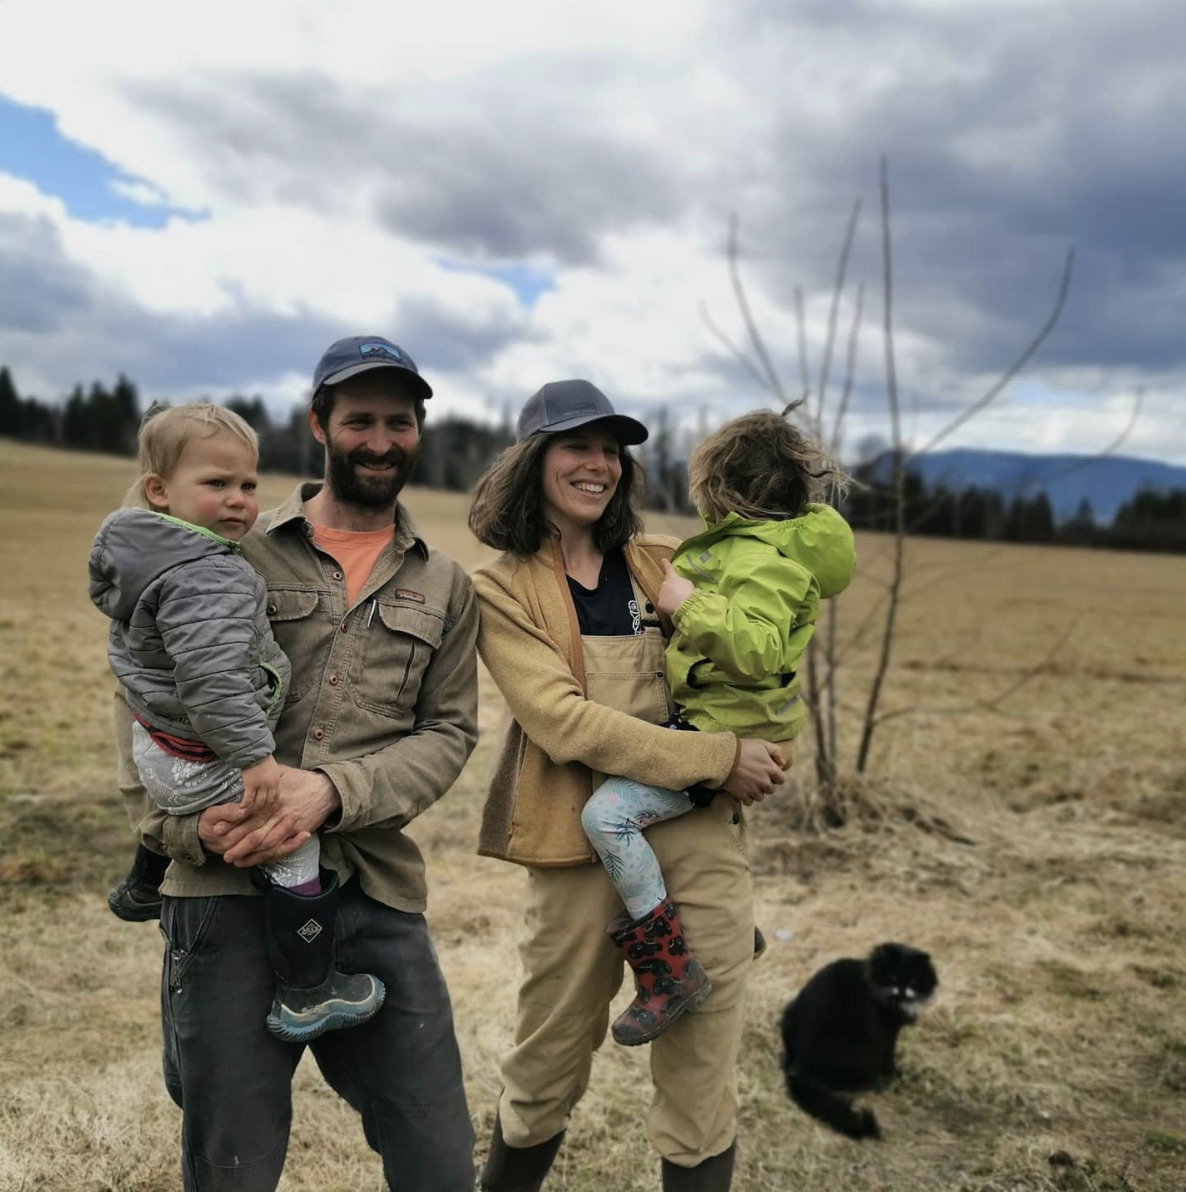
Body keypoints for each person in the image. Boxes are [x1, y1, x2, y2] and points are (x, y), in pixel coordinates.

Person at [110, 336, 480, 1191]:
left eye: (399, 423)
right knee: (230, 1164)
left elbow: (450, 733)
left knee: (438, 1160)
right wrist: (182, 828)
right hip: (225, 891)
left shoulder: (445, 583)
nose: (380, 441)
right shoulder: (225, 543)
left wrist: (330, 794)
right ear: (320, 425)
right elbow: (141, 699)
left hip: (374, 890)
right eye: (359, 421)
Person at [467, 379, 792, 1192]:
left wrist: (762, 737)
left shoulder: (664, 563)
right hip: (573, 840)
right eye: (577, 447)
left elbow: (755, 654)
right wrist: (718, 758)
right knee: (545, 1062)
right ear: (532, 461)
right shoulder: (500, 587)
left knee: (702, 1076)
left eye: (611, 450)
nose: (599, 464)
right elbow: (564, 723)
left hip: (696, 836)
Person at [92, 402, 386, 1044]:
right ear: (159, 490)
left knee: (207, 800)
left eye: (248, 484)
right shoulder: (210, 574)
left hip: (158, 740)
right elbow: (214, 682)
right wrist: (255, 760)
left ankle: (143, 884)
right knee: (292, 835)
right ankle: (308, 991)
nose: (239, 500)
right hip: (203, 755)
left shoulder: (145, 554)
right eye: (216, 483)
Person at [580, 405, 855, 1046]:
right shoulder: (752, 551)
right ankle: (731, 930)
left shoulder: (766, 560)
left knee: (607, 818)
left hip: (726, 735)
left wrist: (687, 604)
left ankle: (668, 967)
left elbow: (758, 649)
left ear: (721, 491)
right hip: (721, 725)